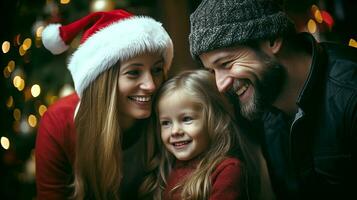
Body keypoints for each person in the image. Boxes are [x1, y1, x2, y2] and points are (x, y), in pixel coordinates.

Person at [189, 0, 357, 199]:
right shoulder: (259, 100)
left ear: (272, 39)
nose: (220, 84)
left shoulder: (350, 94)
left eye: (226, 63)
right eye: (212, 71)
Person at [35, 9, 173, 200]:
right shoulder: (58, 121)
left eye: (157, 69)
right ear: (103, 81)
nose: (151, 85)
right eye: (134, 72)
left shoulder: (169, 110)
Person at [139, 70, 275, 200]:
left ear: (215, 120)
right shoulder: (168, 167)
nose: (175, 131)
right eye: (166, 123)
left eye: (186, 119)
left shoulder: (228, 171)